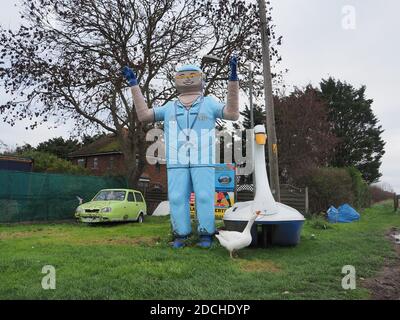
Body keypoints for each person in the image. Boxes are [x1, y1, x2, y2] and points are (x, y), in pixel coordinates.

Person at [122, 56, 239, 248]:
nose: (187, 78)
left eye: (192, 75)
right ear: (175, 80)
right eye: (182, 75)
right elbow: (144, 116)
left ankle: (206, 234)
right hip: (177, 160)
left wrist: (232, 79)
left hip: (203, 158)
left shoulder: (208, 103)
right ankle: (180, 234)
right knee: (176, 197)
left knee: (204, 196)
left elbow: (232, 113)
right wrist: (134, 85)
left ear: (202, 79)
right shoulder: (169, 107)